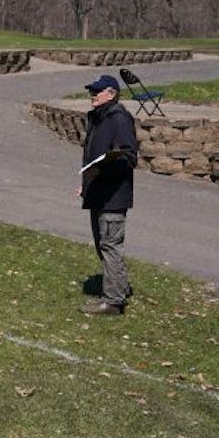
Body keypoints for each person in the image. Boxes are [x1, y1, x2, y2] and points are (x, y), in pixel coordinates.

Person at [78, 74, 139, 316]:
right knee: (103, 245)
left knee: (110, 245)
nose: (93, 94)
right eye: (92, 90)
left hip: (113, 195)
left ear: (112, 93)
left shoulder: (119, 119)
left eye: (98, 91)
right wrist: (87, 182)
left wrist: (106, 165)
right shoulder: (97, 118)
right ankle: (119, 289)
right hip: (97, 192)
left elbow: (128, 156)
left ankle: (113, 301)